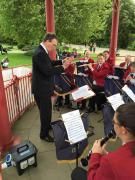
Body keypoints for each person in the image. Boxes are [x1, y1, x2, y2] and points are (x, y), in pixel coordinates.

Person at [71, 103, 135, 180]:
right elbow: (125, 162)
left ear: (124, 130)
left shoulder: (110, 161)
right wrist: (107, 154)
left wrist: (95, 155)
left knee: (76, 172)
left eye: (114, 122)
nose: (112, 124)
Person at [32, 33, 71, 142]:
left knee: (47, 111)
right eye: (54, 45)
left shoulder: (42, 51)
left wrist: (61, 61)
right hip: (41, 89)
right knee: (45, 113)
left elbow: (49, 63)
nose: (54, 47)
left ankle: (47, 126)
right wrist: (63, 67)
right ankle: (43, 135)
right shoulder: (40, 53)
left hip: (43, 88)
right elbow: (48, 71)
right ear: (47, 41)